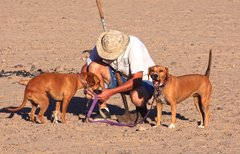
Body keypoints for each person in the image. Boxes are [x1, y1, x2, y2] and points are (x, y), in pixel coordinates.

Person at [81, 30, 155, 120]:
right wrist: (87, 85)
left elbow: (137, 79)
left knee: (137, 98)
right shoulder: (104, 44)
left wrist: (110, 92)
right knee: (93, 67)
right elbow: (85, 68)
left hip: (142, 79)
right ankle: (103, 109)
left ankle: (141, 109)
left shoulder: (134, 46)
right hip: (118, 76)